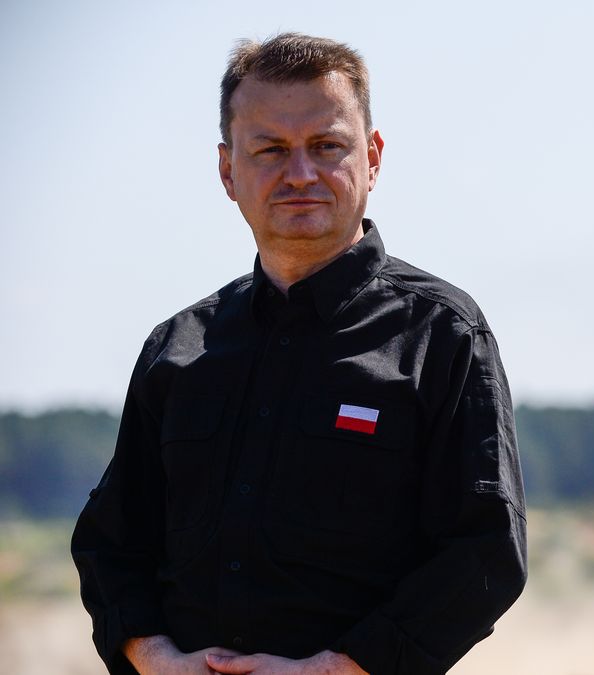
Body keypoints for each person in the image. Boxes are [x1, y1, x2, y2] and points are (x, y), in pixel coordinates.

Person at [72, 33, 527, 675]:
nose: (301, 174)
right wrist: (154, 659)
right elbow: (110, 543)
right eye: (271, 150)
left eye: (326, 146)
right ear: (229, 170)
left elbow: (486, 552)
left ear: (371, 157)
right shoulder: (178, 348)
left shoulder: (442, 334)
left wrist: (335, 671)